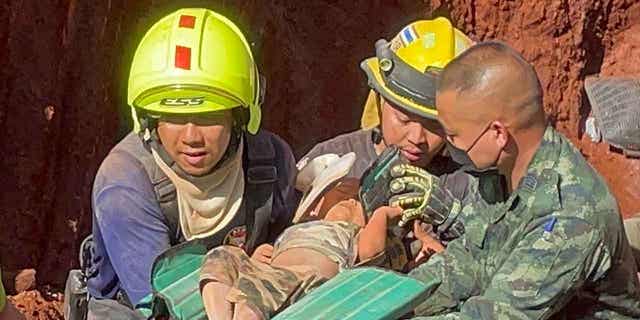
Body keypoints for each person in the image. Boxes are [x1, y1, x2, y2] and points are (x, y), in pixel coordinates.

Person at [385, 41, 640, 318]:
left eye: (454, 134)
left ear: (497, 133)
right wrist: (393, 299)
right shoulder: (505, 170)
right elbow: (470, 259)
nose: (449, 144)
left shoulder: (569, 217)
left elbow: (493, 315)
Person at [86, 8, 298, 315]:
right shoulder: (125, 182)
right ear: (148, 119)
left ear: (239, 116)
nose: (191, 137)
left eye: (208, 117)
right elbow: (165, 307)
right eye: (172, 117)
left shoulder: (271, 162)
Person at [199, 153, 443, 320]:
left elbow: (372, 252)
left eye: (356, 202)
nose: (352, 201)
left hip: (308, 281)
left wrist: (382, 216)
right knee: (221, 256)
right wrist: (256, 256)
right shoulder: (298, 229)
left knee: (256, 294)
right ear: (314, 207)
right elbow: (267, 258)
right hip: (276, 274)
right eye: (345, 195)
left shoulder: (354, 233)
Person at [301, 18, 473, 179]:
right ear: (380, 100)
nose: (417, 138)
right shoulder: (328, 163)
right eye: (404, 119)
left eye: (436, 125)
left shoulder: (469, 181)